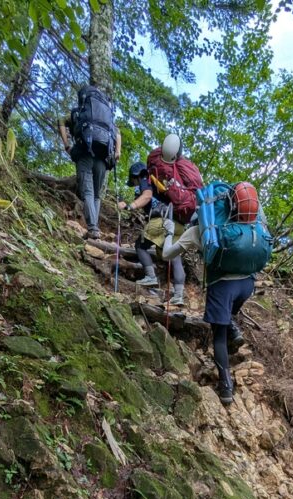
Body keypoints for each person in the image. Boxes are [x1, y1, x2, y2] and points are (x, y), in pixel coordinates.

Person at [161, 181, 270, 406]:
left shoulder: (199, 229)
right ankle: (234, 327)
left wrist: (169, 233)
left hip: (222, 286)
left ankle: (226, 386)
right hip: (247, 284)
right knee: (228, 315)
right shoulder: (252, 225)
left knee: (218, 337)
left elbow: (167, 255)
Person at [117, 158, 186, 306]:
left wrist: (130, 206)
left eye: (133, 181)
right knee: (173, 255)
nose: (135, 185)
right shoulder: (159, 182)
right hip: (178, 222)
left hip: (161, 219)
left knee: (140, 245)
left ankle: (150, 276)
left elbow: (147, 196)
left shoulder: (145, 177)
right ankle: (179, 295)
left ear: (136, 176)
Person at [60, 85, 121, 239]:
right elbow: (118, 133)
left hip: (84, 154)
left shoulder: (79, 113)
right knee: (96, 195)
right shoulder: (107, 118)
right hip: (102, 157)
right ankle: (95, 227)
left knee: (87, 191)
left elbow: (60, 121)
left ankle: (93, 229)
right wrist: (117, 152)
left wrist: (67, 145)